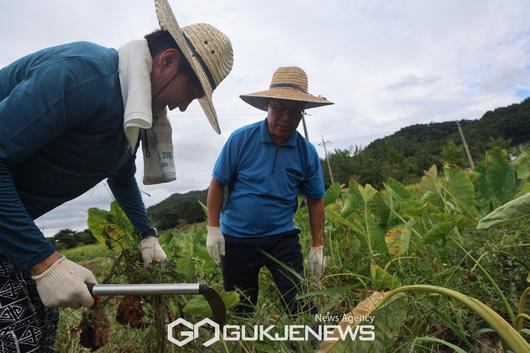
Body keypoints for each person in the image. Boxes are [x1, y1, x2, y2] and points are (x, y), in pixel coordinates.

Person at [0, 0, 233, 350]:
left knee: (43, 318)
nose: (185, 106)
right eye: (192, 92)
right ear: (168, 61)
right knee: (18, 336)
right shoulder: (84, 75)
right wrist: (43, 262)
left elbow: (121, 175)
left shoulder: (132, 118)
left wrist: (146, 234)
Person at [206, 66, 333, 316]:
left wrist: (318, 246)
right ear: (267, 105)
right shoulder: (241, 139)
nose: (286, 117)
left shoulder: (306, 151)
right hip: (237, 238)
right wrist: (213, 227)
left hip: (282, 238)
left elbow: (315, 199)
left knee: (301, 305)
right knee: (241, 309)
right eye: (279, 107)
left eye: (294, 111)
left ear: (302, 114)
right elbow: (218, 183)